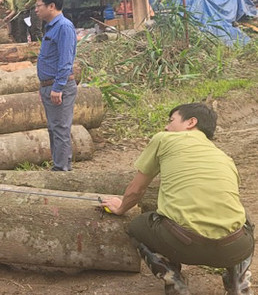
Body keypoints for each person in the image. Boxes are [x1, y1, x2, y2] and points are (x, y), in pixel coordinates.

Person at [101, 103, 254, 295]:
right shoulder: (224, 157)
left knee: (138, 226)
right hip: (233, 248)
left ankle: (175, 283)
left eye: (171, 121)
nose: (166, 127)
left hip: (183, 244)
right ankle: (238, 283)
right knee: (244, 219)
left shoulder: (165, 139)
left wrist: (121, 207)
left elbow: (136, 190)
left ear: (191, 122)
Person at [35, 0, 77, 171]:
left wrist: (58, 87)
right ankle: (60, 166)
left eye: (39, 6)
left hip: (58, 86)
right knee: (54, 129)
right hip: (48, 85)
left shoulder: (64, 27)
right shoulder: (52, 26)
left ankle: (61, 170)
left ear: (51, 6)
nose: (36, 10)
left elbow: (66, 60)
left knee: (60, 129)